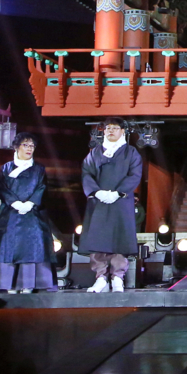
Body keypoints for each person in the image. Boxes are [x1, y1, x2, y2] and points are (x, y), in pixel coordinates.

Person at [81, 117, 144, 293]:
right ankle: (101, 278)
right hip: (99, 202)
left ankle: (117, 278)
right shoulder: (95, 152)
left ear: (122, 131)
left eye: (115, 128)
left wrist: (118, 193)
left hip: (120, 202)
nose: (110, 131)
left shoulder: (131, 153)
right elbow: (87, 173)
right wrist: (97, 192)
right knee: (97, 239)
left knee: (119, 240)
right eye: (108, 128)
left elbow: (134, 175)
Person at [0, 132, 56, 293]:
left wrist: (31, 203)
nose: (29, 149)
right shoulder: (6, 168)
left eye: (32, 146)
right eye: (25, 145)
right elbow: (2, 189)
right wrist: (15, 202)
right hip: (11, 214)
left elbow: (42, 187)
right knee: (9, 247)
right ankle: (9, 284)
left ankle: (29, 284)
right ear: (17, 147)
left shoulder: (39, 169)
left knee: (32, 247)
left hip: (33, 214)